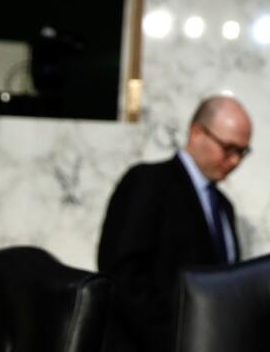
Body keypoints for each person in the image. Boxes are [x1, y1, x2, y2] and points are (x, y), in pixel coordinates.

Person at [98, 95, 253, 352]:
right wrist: (176, 338)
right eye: (228, 148)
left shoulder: (224, 206)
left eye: (242, 152)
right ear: (196, 133)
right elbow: (121, 273)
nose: (235, 161)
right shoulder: (148, 182)